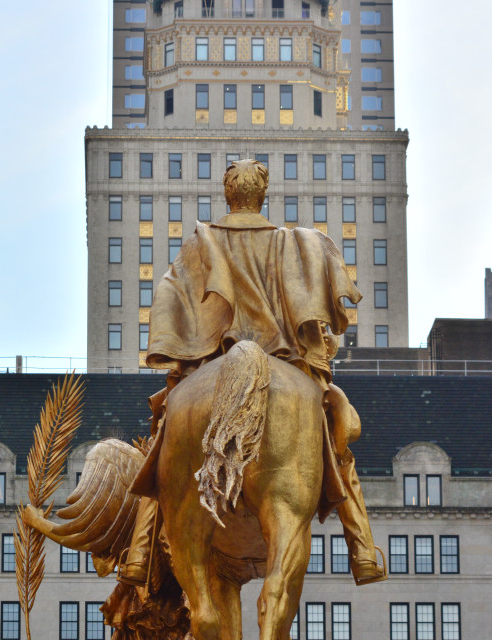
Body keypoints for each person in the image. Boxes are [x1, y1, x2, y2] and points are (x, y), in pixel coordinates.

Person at [119, 159, 386, 588]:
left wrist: (189, 358)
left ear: (228, 193)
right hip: (284, 362)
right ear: (263, 195)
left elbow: (171, 304)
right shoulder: (293, 243)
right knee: (336, 438)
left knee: (166, 433)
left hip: (211, 361)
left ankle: (140, 548)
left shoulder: (200, 242)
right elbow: (311, 313)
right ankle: (362, 548)